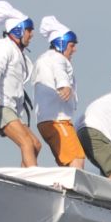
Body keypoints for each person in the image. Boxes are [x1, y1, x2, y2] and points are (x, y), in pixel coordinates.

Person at [0, 0, 40, 167]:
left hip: (10, 107)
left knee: (35, 145)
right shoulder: (3, 47)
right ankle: (35, 180)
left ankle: (24, 180)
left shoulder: (18, 54)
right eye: (29, 31)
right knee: (26, 143)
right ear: (18, 30)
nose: (31, 35)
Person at [31, 16, 85, 169]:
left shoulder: (44, 59)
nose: (74, 49)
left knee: (66, 164)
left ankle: (60, 189)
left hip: (47, 121)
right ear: (61, 43)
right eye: (72, 45)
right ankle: (73, 193)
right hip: (57, 120)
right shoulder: (56, 58)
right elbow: (59, 69)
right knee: (76, 159)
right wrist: (64, 85)